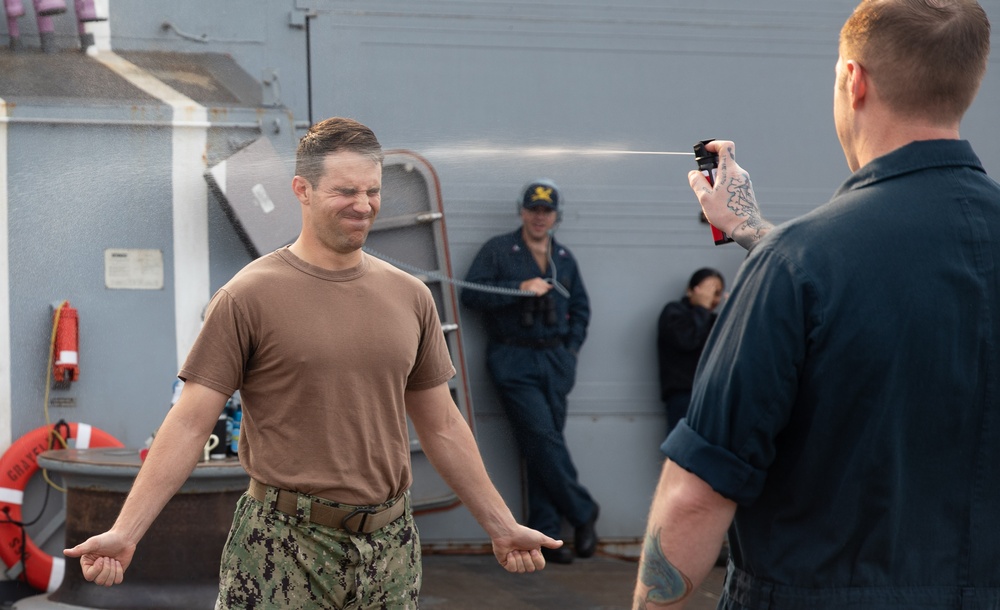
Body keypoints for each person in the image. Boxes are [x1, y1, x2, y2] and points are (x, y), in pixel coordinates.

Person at [63, 117, 562, 609]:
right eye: (345, 191)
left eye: (373, 191)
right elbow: (191, 423)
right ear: (301, 190)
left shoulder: (411, 297)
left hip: (389, 553)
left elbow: (443, 426)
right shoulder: (247, 296)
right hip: (281, 549)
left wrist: (501, 525)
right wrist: (126, 532)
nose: (363, 206)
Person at [634, 1, 998, 608]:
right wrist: (752, 230)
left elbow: (695, 497)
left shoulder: (799, 266)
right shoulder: (796, 262)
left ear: (852, 81)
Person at [461, 179, 600, 565]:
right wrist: (519, 286)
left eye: (546, 211)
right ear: (522, 211)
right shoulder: (499, 249)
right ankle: (583, 512)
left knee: (542, 444)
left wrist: (570, 351)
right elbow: (470, 294)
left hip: (554, 360)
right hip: (513, 358)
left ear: (556, 216)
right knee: (542, 436)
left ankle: (548, 534)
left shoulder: (565, 258)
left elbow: (583, 310)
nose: (540, 217)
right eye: (533, 209)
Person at [656, 268, 725, 433]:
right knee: (680, 454)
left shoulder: (715, 321)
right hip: (683, 396)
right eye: (707, 290)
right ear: (690, 290)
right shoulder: (673, 312)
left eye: (716, 293)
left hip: (712, 396)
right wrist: (701, 308)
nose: (710, 298)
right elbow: (687, 340)